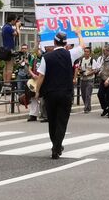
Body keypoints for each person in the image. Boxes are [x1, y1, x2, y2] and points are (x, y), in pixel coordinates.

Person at [34, 29, 85, 160]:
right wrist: (79, 34)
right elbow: (82, 47)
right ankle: (57, 146)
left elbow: (41, 76)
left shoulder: (47, 57)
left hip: (50, 93)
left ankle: (55, 145)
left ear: (54, 42)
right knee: (62, 121)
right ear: (66, 43)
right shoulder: (70, 54)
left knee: (52, 120)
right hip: (66, 93)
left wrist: (37, 91)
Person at [1, 14, 21, 87]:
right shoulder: (8, 28)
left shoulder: (4, 27)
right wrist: (18, 26)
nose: (16, 21)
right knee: (9, 67)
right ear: (12, 20)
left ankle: (5, 82)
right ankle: (7, 83)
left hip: (5, 49)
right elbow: (18, 34)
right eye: (15, 20)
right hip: (9, 50)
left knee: (6, 67)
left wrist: (16, 27)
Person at [26, 45, 43, 122]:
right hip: (34, 79)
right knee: (33, 97)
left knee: (42, 97)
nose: (38, 52)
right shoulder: (33, 58)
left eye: (39, 50)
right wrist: (33, 75)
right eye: (37, 50)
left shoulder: (44, 59)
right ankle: (33, 115)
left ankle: (43, 113)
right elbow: (29, 69)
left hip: (42, 80)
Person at [78, 47, 95, 114]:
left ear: (90, 53)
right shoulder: (81, 60)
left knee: (88, 94)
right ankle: (88, 107)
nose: (86, 53)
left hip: (90, 79)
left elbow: (94, 70)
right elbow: (79, 68)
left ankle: (86, 108)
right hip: (83, 79)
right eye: (85, 51)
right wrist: (80, 71)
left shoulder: (92, 60)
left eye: (87, 52)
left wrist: (87, 74)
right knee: (83, 94)